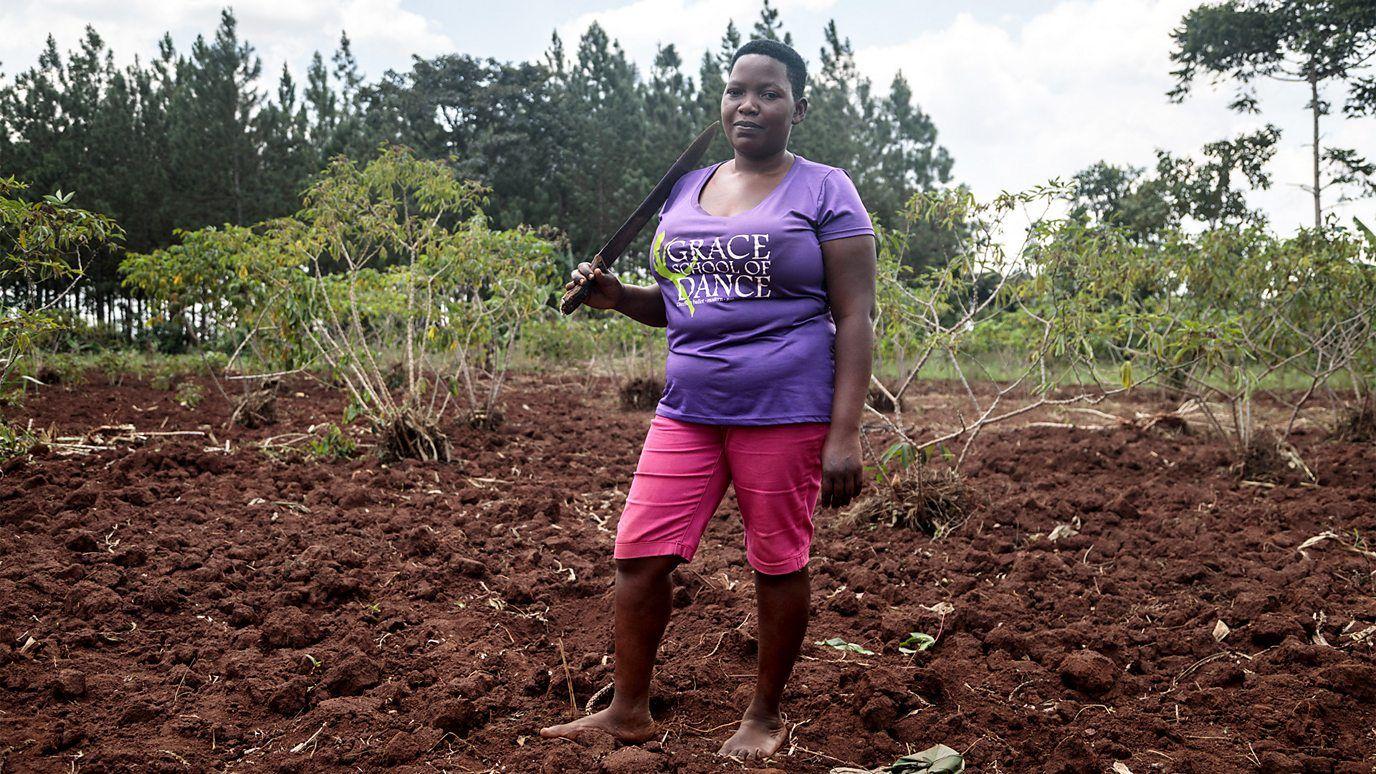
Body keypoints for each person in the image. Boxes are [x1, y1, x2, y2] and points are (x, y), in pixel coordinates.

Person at [541, 37, 877, 762]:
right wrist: (614, 298)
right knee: (639, 556)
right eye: (736, 91)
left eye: (769, 92)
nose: (748, 104)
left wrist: (844, 432)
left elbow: (856, 315)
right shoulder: (687, 187)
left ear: (799, 107)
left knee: (776, 562)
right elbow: (679, 303)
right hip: (688, 407)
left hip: (785, 408)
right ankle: (628, 709)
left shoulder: (825, 189)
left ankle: (764, 715)